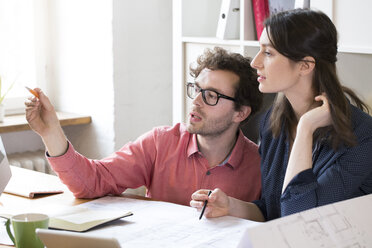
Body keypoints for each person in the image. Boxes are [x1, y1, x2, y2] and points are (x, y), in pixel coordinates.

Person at [190, 9, 372, 221]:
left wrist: (305, 130)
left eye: (268, 53)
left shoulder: (363, 137)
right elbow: (273, 209)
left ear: (305, 65)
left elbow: (297, 219)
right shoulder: (272, 122)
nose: (255, 62)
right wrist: (231, 206)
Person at [25, 47, 263, 206]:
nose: (196, 101)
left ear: (240, 113)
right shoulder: (161, 143)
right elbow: (91, 183)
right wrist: (50, 131)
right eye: (196, 89)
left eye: (211, 95)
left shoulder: (262, 165)